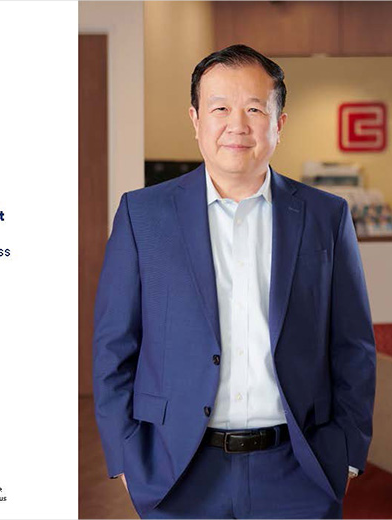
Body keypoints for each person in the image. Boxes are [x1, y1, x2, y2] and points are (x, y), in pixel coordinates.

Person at [92, 44, 376, 519]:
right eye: (220, 107)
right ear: (195, 119)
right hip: (176, 470)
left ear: (279, 123)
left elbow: (353, 346)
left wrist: (345, 451)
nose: (237, 124)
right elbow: (113, 346)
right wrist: (126, 456)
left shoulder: (326, 217)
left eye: (254, 109)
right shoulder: (143, 216)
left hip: (298, 470)